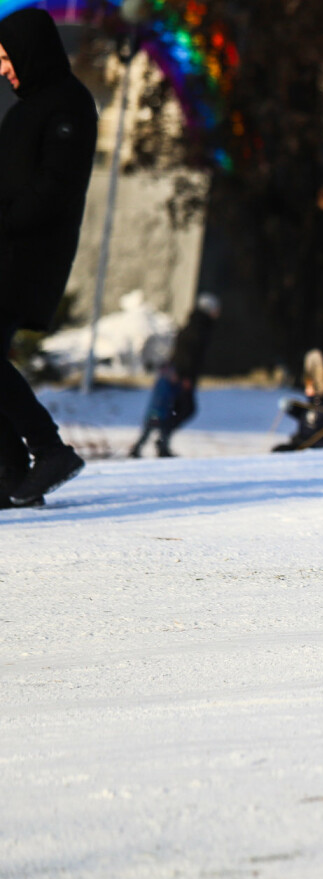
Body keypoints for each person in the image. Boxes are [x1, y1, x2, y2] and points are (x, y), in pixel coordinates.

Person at [0, 8, 98, 508]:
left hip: (25, 260)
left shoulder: (68, 106)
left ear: (29, 52)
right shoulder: (30, 108)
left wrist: (5, 216)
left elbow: (52, 189)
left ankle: (47, 451)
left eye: (6, 58)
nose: (3, 69)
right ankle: (11, 473)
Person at [130, 293, 220, 458]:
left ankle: (155, 444)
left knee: (167, 410)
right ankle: (155, 444)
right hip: (180, 377)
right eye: (216, 309)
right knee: (171, 410)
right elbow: (187, 355)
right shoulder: (198, 329)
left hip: (177, 374)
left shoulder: (197, 325)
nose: (218, 312)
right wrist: (185, 377)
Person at [273, 349, 323, 451]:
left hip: (322, 446)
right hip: (301, 442)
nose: (306, 390)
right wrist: (292, 408)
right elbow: (305, 414)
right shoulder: (313, 401)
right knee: (279, 450)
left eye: (310, 386)